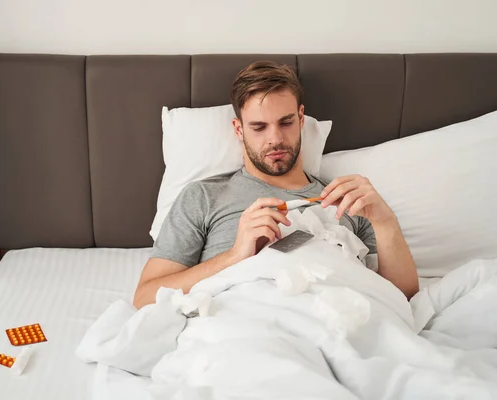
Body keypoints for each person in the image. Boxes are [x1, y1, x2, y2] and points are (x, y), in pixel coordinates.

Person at [133, 61, 418, 309]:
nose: (275, 139)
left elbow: (401, 297)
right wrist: (235, 256)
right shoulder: (204, 196)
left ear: (301, 118)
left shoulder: (346, 200)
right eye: (259, 127)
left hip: (335, 321)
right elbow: (145, 297)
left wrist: (385, 221)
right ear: (238, 129)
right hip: (247, 327)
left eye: (286, 123)